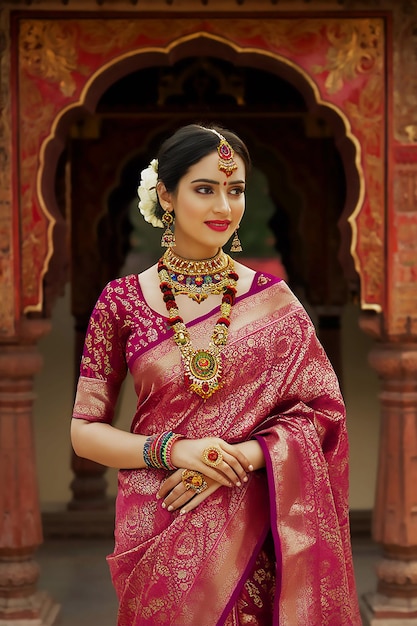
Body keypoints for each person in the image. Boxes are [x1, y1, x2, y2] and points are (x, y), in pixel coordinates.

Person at [71, 123, 361, 626]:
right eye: (205, 189)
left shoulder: (278, 304)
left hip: (254, 527)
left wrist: (245, 458)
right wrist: (174, 449)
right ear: (166, 193)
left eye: (236, 190)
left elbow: (322, 414)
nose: (224, 207)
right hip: (159, 518)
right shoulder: (120, 303)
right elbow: (84, 432)